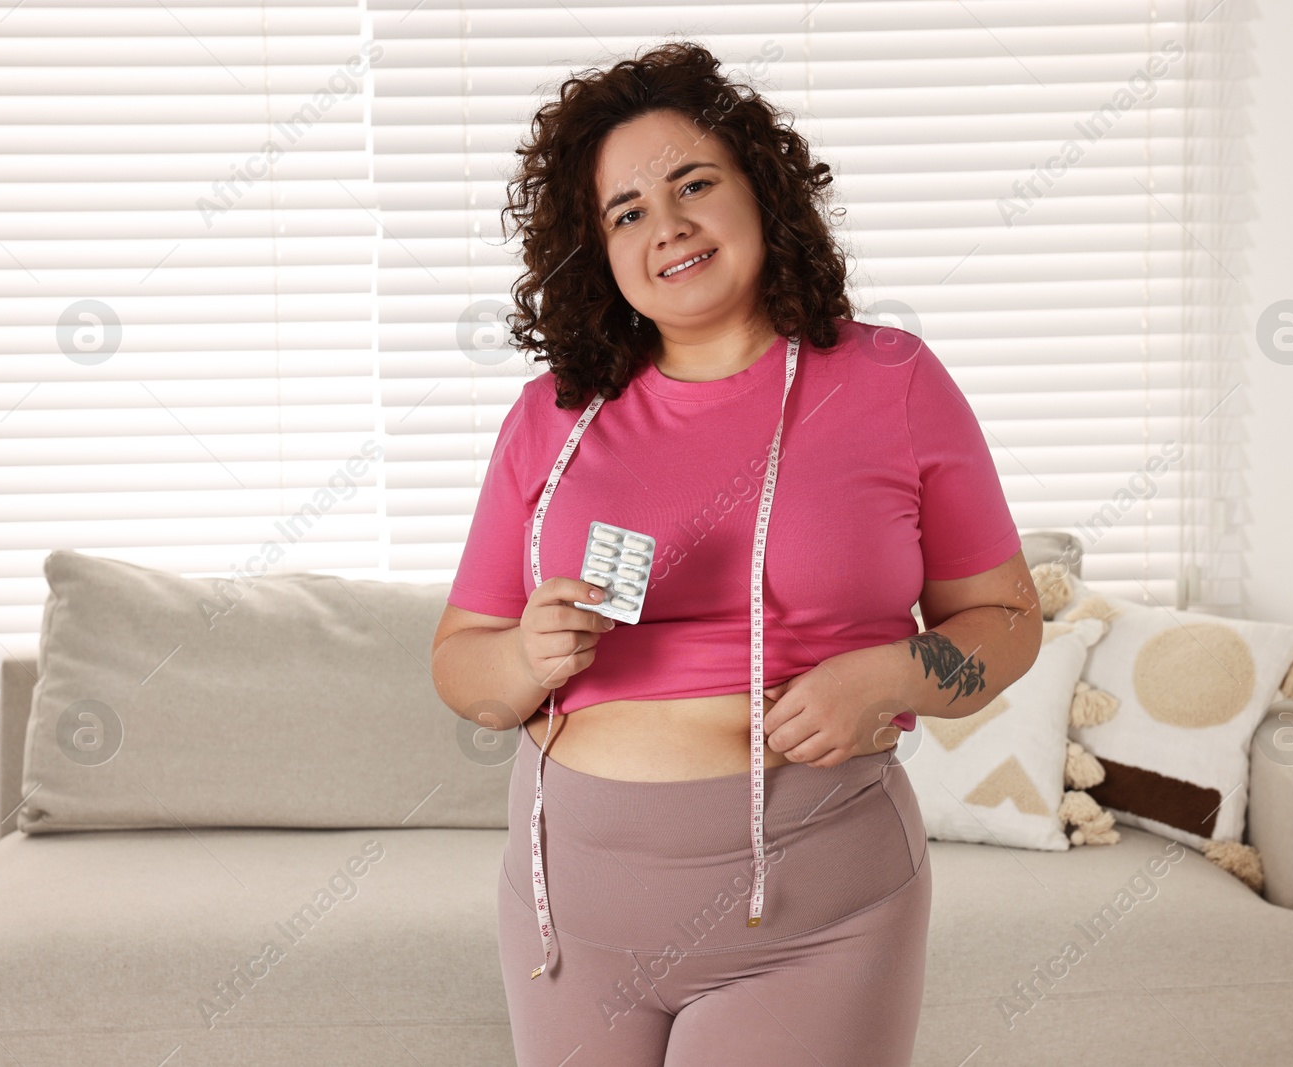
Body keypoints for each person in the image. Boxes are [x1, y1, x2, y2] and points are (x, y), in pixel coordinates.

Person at [430, 39, 1043, 1067]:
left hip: (809, 907)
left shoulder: (889, 379)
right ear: (599, 253)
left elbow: (1010, 623)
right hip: (566, 913)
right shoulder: (553, 417)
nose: (664, 224)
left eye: (692, 184)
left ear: (761, 192)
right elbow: (463, 666)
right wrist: (524, 656)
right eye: (625, 212)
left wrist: (895, 672)